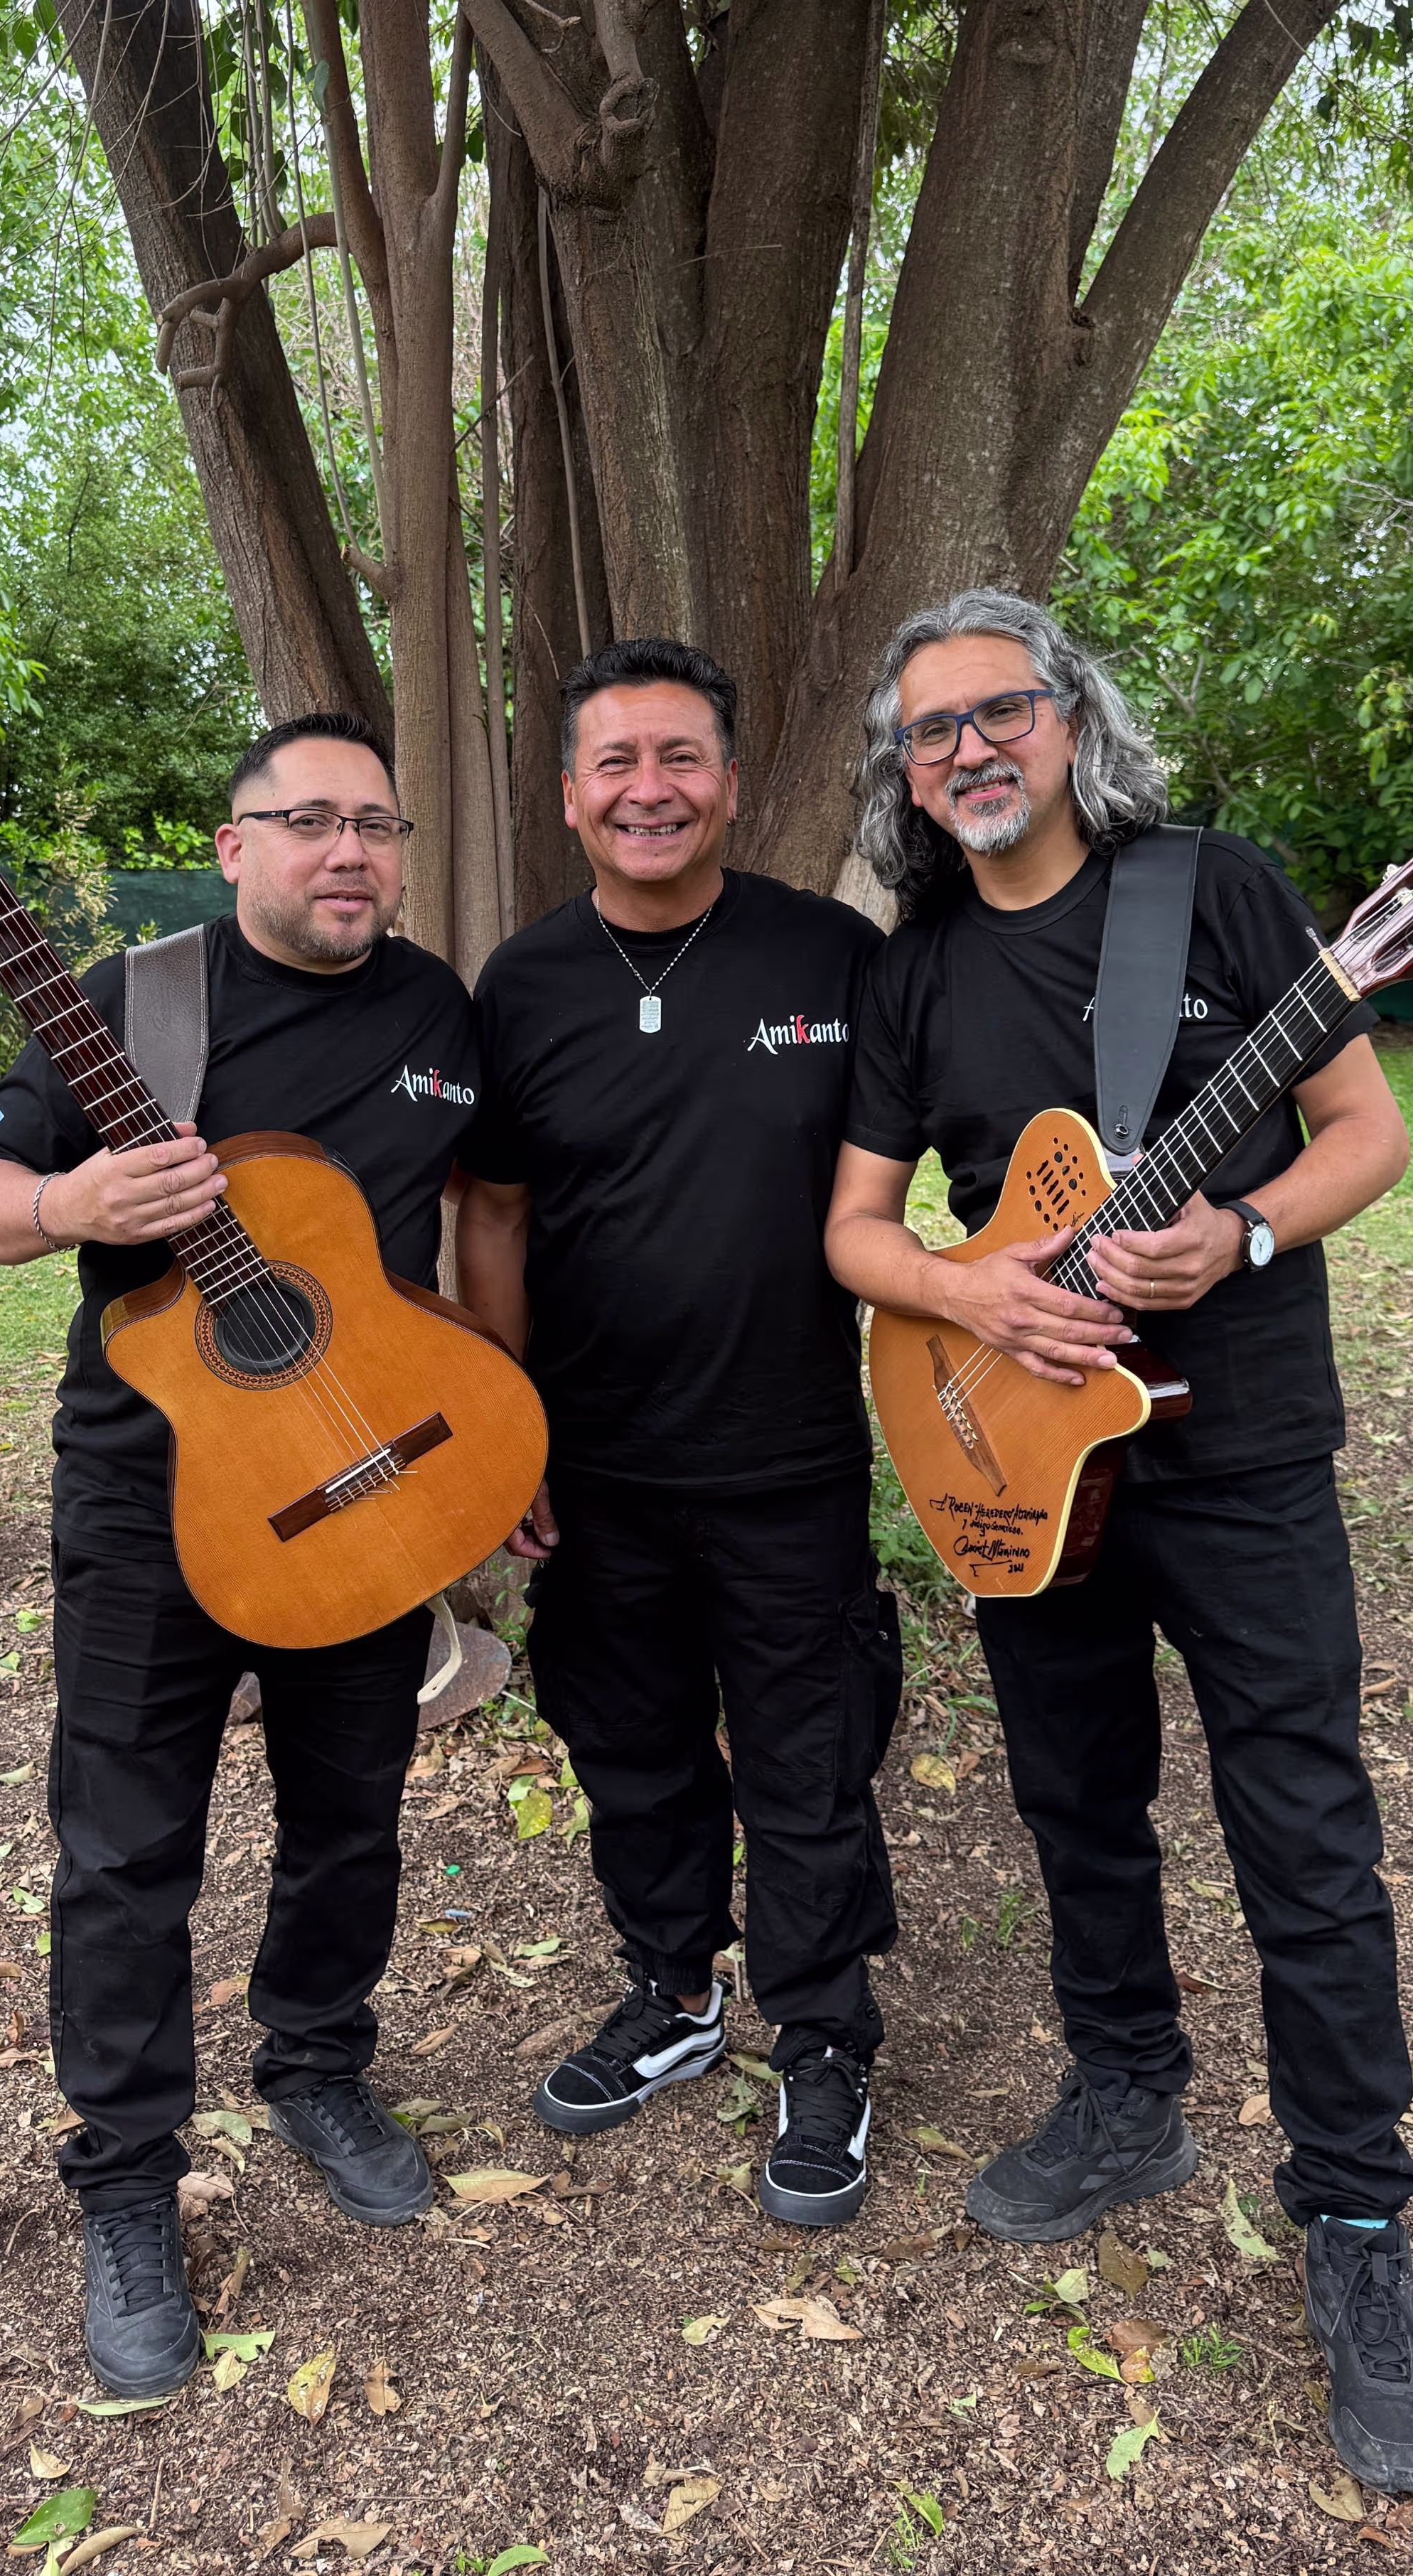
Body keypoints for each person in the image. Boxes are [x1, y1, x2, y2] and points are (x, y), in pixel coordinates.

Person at [823, 591, 1413, 2496]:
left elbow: (1365, 1131)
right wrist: (971, 1289)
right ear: (907, 779)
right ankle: (1127, 2094)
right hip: (1018, 1460)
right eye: (932, 735)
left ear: (1068, 720)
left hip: (1241, 1452)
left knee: (1306, 1833)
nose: (972, 752)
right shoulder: (914, 968)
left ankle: (1354, 2220)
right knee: (1073, 1800)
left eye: (1000, 712)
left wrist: (1242, 1235)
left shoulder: (1219, 893)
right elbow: (858, 1229)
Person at [0, 714, 479, 2398]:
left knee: (351, 1810)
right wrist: (67, 1211)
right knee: (123, 1850)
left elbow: (471, 1231)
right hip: (145, 1500)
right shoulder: (134, 1000)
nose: (348, 852)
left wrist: (496, 1435)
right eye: (308, 820)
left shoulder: (437, 1015)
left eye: (374, 824)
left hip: (355, 1481)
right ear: (233, 843)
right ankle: (123, 2183)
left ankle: (315, 2060)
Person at [456, 638, 898, 2228]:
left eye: (682, 757)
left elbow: (912, 1191)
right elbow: (491, 1209)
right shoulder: (521, 984)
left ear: (730, 777)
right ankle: (673, 1987)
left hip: (786, 1455)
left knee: (806, 1754)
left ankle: (826, 2036)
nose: (651, 788)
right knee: (629, 1748)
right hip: (593, 1468)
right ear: (571, 795)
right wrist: (510, 1432)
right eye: (617, 763)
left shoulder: (833, 959)